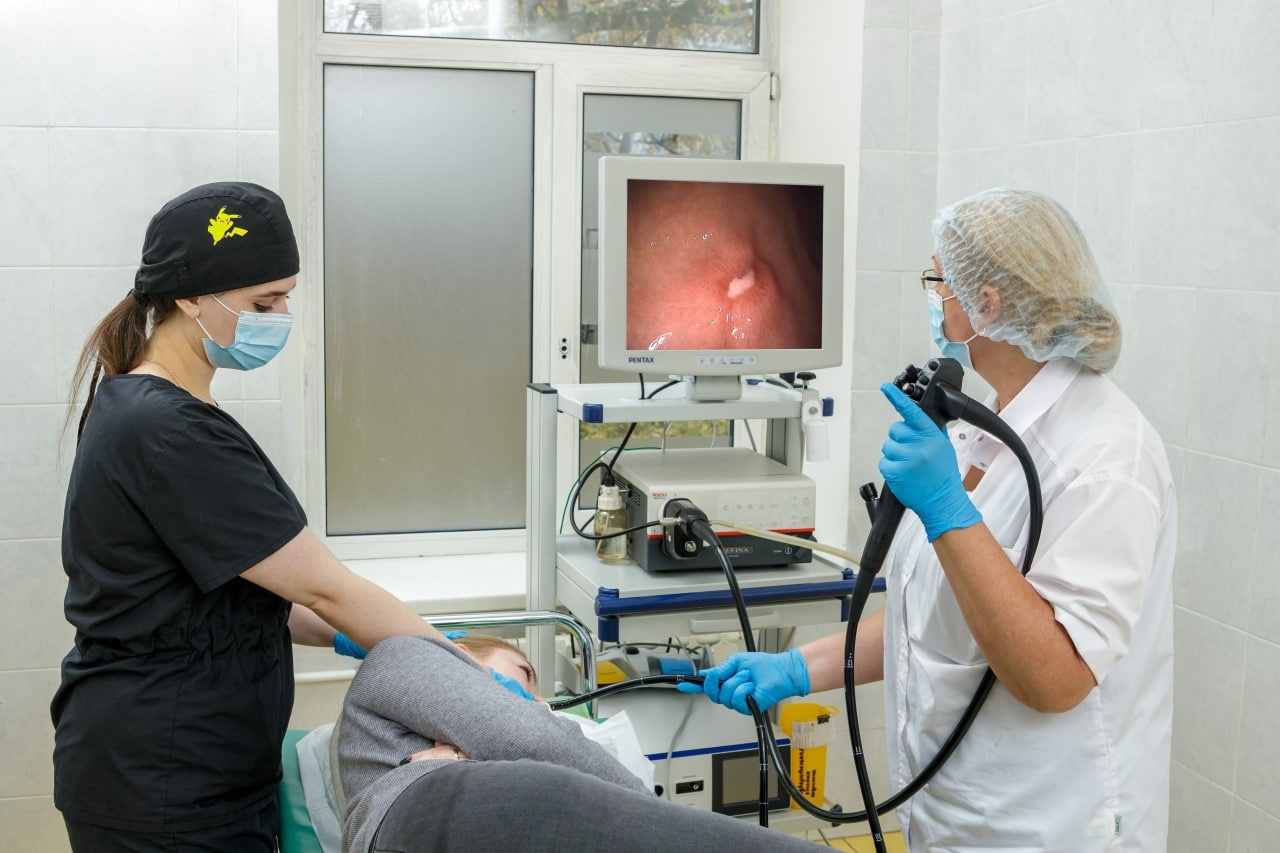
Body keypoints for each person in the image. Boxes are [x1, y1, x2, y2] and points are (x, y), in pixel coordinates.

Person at [679, 187, 1176, 850]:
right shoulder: (987, 425)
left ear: (986, 304)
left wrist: (946, 509)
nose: (933, 298)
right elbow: (939, 620)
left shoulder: (1107, 456)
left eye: (938, 281)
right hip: (954, 816)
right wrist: (797, 668)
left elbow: (1056, 676)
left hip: (1048, 824)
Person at [51, 182, 451, 852]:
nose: (283, 316)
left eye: (287, 296)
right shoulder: (167, 430)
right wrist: (463, 675)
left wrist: (357, 639)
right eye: (265, 303)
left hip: (182, 770)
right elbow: (324, 587)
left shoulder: (159, 409)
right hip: (165, 785)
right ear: (189, 297)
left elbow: (241, 592)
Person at [337, 632, 829, 853]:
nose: (537, 701)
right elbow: (526, 735)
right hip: (424, 817)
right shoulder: (407, 655)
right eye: (525, 673)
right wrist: (652, 814)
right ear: (465, 651)